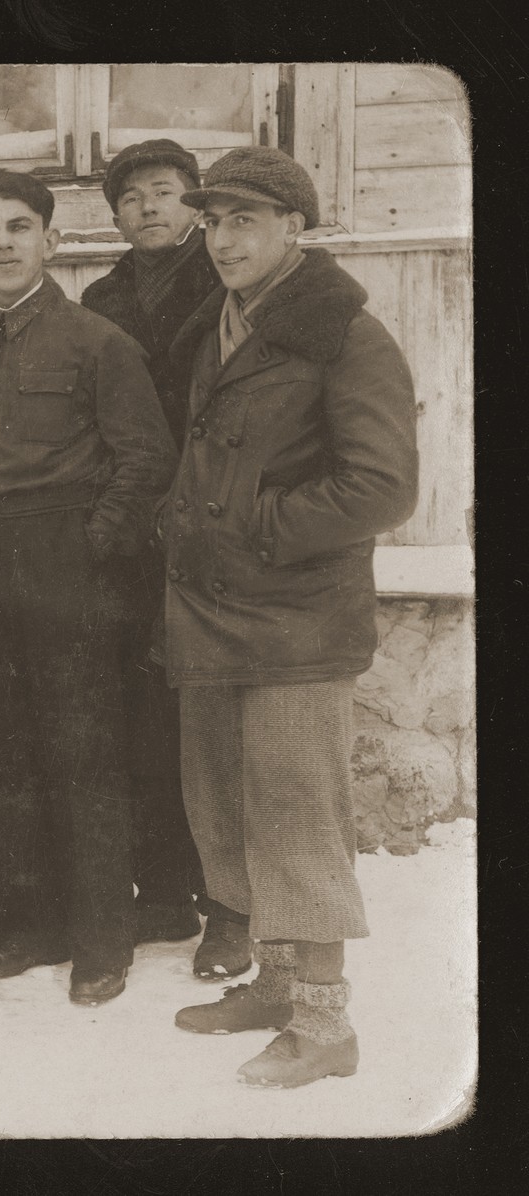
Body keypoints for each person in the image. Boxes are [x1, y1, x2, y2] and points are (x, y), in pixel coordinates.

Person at [163, 147, 417, 1087]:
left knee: (297, 813)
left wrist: (256, 528)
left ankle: (324, 1025)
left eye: (243, 222)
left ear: (293, 230)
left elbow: (384, 486)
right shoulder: (223, 321)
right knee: (225, 802)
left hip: (298, 621)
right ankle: (274, 982)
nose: (221, 239)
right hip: (212, 610)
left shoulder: (346, 336)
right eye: (213, 221)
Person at [0, 169, 175, 1005]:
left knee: (83, 752)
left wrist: (92, 547)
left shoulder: (96, 340)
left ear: (50, 241)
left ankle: (103, 937)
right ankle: (29, 923)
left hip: (65, 560)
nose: (2, 242)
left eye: (19, 228)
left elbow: (145, 459)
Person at [80, 139, 247, 978]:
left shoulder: (225, 285)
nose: (147, 207)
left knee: (212, 723)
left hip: (213, 525)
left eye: (164, 192)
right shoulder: (101, 296)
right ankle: (167, 888)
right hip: (136, 535)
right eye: (131, 197)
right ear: (113, 215)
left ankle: (231, 907)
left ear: (196, 207)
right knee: (144, 718)